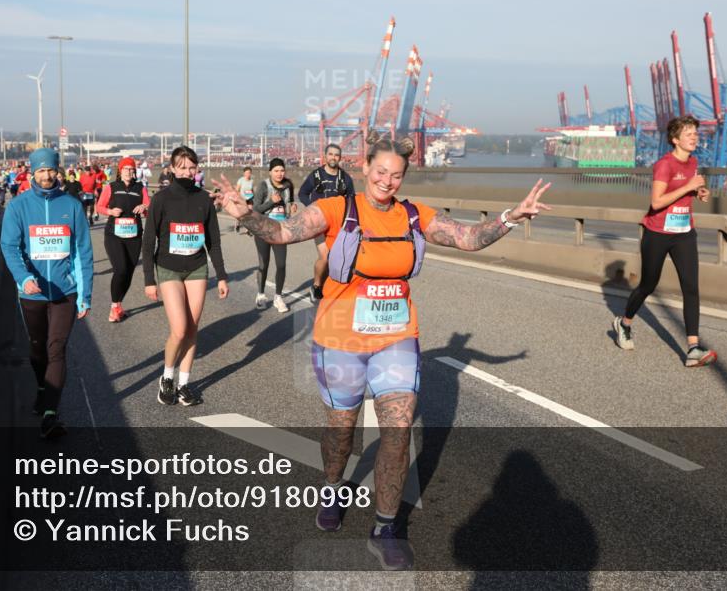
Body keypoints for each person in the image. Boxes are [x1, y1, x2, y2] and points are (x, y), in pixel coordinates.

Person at [212, 132, 551, 570]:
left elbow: (467, 237)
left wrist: (511, 216)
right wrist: (247, 214)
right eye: (380, 172)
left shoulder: (413, 215)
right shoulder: (337, 209)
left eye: (396, 175)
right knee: (342, 431)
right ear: (365, 168)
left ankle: (386, 527)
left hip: (396, 338)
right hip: (340, 339)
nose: (387, 181)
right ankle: (333, 486)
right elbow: (281, 232)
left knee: (398, 430)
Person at [0, 148, 93, 439]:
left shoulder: (72, 206)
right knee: (38, 349)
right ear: (32, 172)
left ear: (58, 171)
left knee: (56, 349)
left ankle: (51, 414)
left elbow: (83, 252)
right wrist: (24, 278)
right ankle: (42, 387)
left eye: (51, 169)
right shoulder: (18, 206)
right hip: (32, 293)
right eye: (41, 170)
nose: (46, 175)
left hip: (65, 292)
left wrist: (85, 294)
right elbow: (9, 247)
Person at [613, 115, 716, 367]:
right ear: (675, 139)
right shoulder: (664, 165)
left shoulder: (693, 162)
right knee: (648, 285)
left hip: (684, 233)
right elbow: (657, 202)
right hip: (657, 234)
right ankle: (624, 323)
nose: (694, 137)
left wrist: (697, 191)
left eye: (695, 133)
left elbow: (682, 189)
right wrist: (688, 186)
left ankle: (693, 348)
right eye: (689, 134)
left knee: (691, 287)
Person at [142, 146, 228, 407]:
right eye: (182, 167)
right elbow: (148, 242)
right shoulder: (161, 199)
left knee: (192, 328)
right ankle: (167, 377)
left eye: (192, 167)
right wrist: (149, 280)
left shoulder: (204, 199)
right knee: (179, 329)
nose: (188, 172)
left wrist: (221, 276)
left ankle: (183, 384)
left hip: (196, 268)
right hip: (168, 268)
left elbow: (213, 242)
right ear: (172, 168)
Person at [298, 144, 355, 303]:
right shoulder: (316, 175)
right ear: (325, 156)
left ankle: (329, 286)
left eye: (336, 155)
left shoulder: (345, 178)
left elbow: (352, 200)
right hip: (319, 222)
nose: (333, 157)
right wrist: (312, 208)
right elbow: (302, 193)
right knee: (325, 256)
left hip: (338, 223)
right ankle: (316, 286)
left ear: (340, 158)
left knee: (337, 258)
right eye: (330, 154)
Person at [97, 157, 150, 322]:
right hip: (114, 235)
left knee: (129, 272)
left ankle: (118, 305)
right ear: (120, 171)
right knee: (120, 269)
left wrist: (144, 207)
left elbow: (148, 208)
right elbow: (99, 207)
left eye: (131, 169)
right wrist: (111, 212)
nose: (129, 171)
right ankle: (114, 306)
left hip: (134, 236)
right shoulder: (111, 187)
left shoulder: (140, 188)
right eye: (125, 168)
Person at [252, 158, 297, 312]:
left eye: (282, 170)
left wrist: (292, 206)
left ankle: (278, 297)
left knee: (281, 264)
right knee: (263, 264)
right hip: (263, 230)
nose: (279, 173)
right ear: (270, 172)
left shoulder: (288, 185)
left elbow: (290, 202)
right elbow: (256, 210)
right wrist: (271, 202)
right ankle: (260, 294)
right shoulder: (264, 186)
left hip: (280, 230)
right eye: (276, 171)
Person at [235, 167, 255, 233]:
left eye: (249, 173)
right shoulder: (241, 180)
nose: (248, 174)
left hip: (249, 198)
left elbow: (252, 189)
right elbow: (237, 190)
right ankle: (238, 224)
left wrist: (253, 195)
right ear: (244, 173)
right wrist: (238, 198)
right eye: (246, 173)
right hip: (242, 198)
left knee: (250, 213)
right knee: (241, 214)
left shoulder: (252, 181)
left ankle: (248, 229)